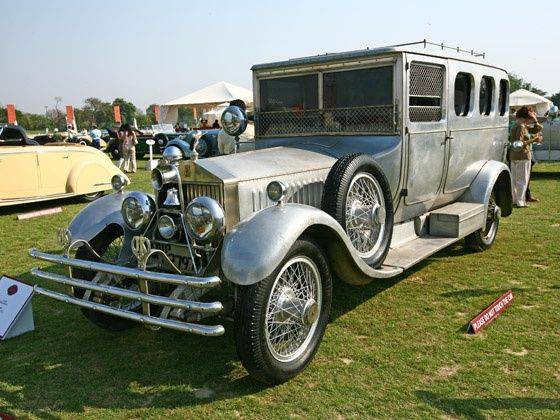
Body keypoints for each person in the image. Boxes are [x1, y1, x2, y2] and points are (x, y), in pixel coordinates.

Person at [509, 107, 542, 207]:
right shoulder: (522, 127)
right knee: (522, 180)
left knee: (514, 180)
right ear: (525, 117)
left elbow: (537, 128)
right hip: (523, 155)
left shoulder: (515, 125)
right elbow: (518, 144)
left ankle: (515, 200)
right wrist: (534, 140)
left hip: (513, 156)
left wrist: (535, 120)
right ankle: (520, 201)